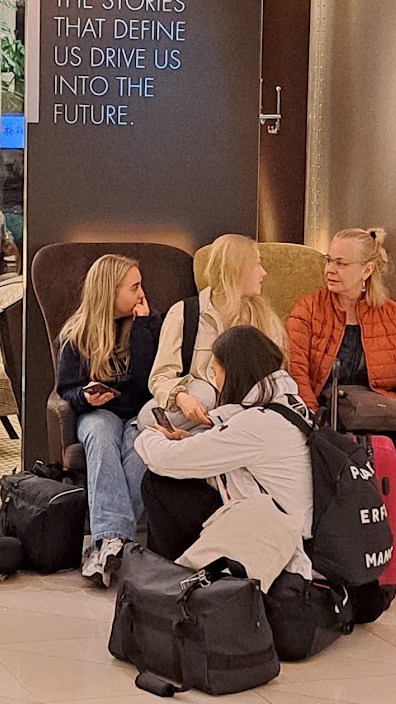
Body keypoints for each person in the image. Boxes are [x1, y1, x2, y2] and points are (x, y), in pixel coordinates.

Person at [286, 226, 396, 583]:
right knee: (383, 452)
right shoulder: (308, 310)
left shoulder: (392, 315)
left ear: (366, 270)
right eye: (329, 260)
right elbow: (296, 373)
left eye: (341, 263)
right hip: (332, 418)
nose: (330, 269)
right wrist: (312, 427)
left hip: (382, 413)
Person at [135, 325, 313, 580]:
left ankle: (169, 580)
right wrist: (197, 437)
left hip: (276, 544)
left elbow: (167, 460)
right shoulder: (290, 404)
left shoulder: (256, 425)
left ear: (232, 372)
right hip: (294, 529)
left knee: (160, 483)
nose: (215, 381)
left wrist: (150, 434)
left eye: (215, 372)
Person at [56, 254, 162, 587]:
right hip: (98, 413)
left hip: (138, 412)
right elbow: (66, 390)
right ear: (109, 292)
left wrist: (141, 328)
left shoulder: (150, 324)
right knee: (101, 437)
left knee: (139, 446)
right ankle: (118, 543)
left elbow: (148, 382)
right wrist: (85, 397)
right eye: (134, 287)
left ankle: (106, 545)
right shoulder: (78, 333)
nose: (142, 293)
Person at [137, 233, 285, 432]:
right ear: (237, 269)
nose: (263, 272)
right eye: (257, 264)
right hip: (191, 413)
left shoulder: (264, 318)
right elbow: (159, 377)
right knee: (150, 419)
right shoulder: (183, 313)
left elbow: (274, 381)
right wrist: (181, 397)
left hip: (241, 418)